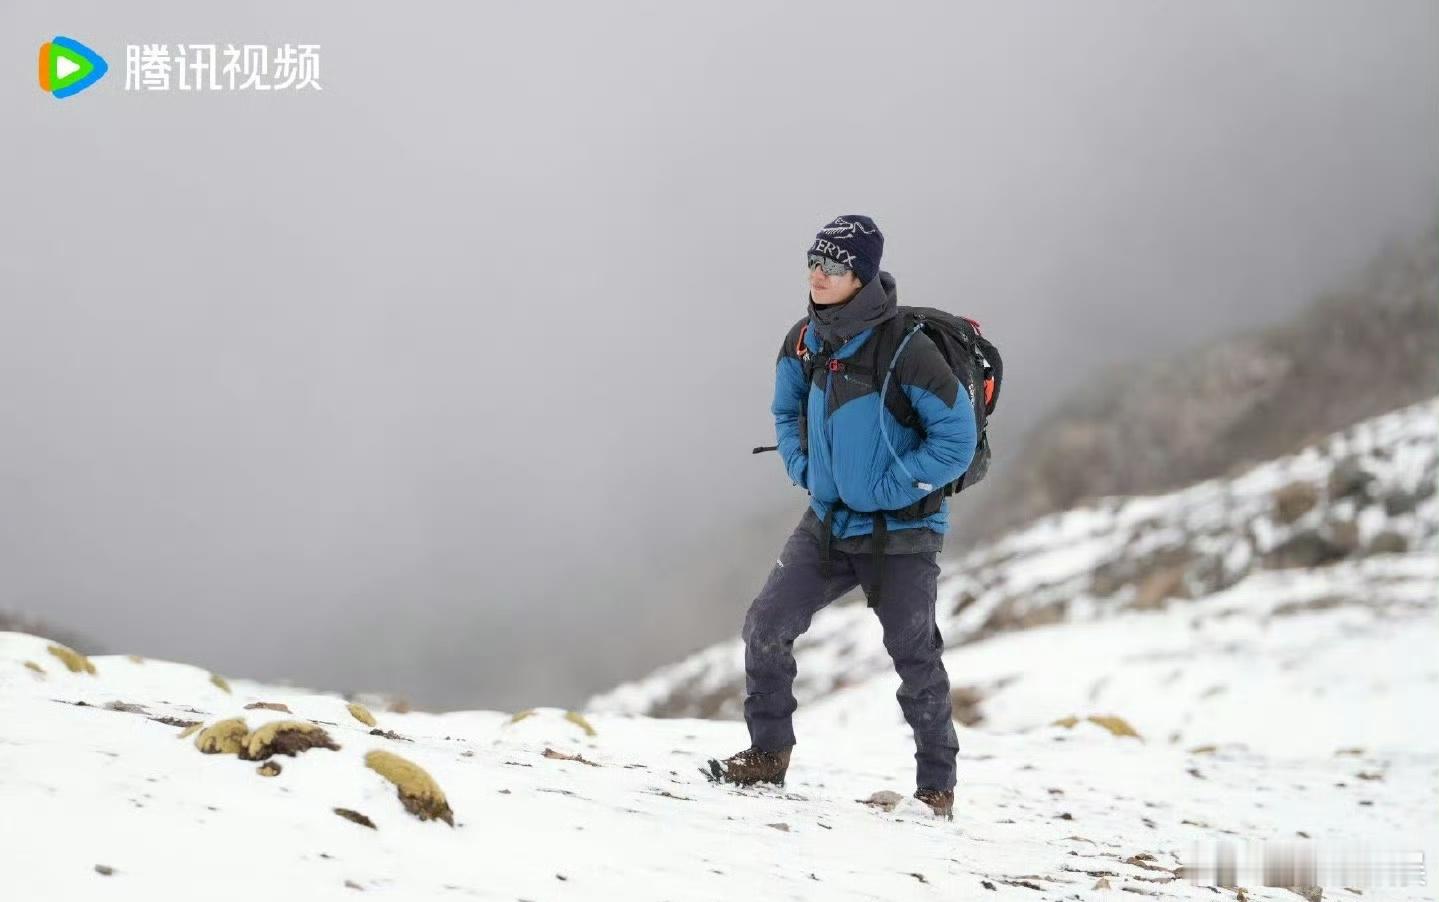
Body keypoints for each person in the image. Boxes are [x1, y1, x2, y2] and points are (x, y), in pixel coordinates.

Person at [708, 214, 978, 820]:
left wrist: (893, 484)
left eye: (832, 265)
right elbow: (784, 410)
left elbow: (955, 439)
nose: (818, 273)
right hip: (829, 522)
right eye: (813, 261)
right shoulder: (803, 340)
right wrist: (803, 467)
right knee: (765, 625)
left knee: (914, 656)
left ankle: (937, 789)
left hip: (904, 531)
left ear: (861, 274)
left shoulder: (909, 349)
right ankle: (767, 755)